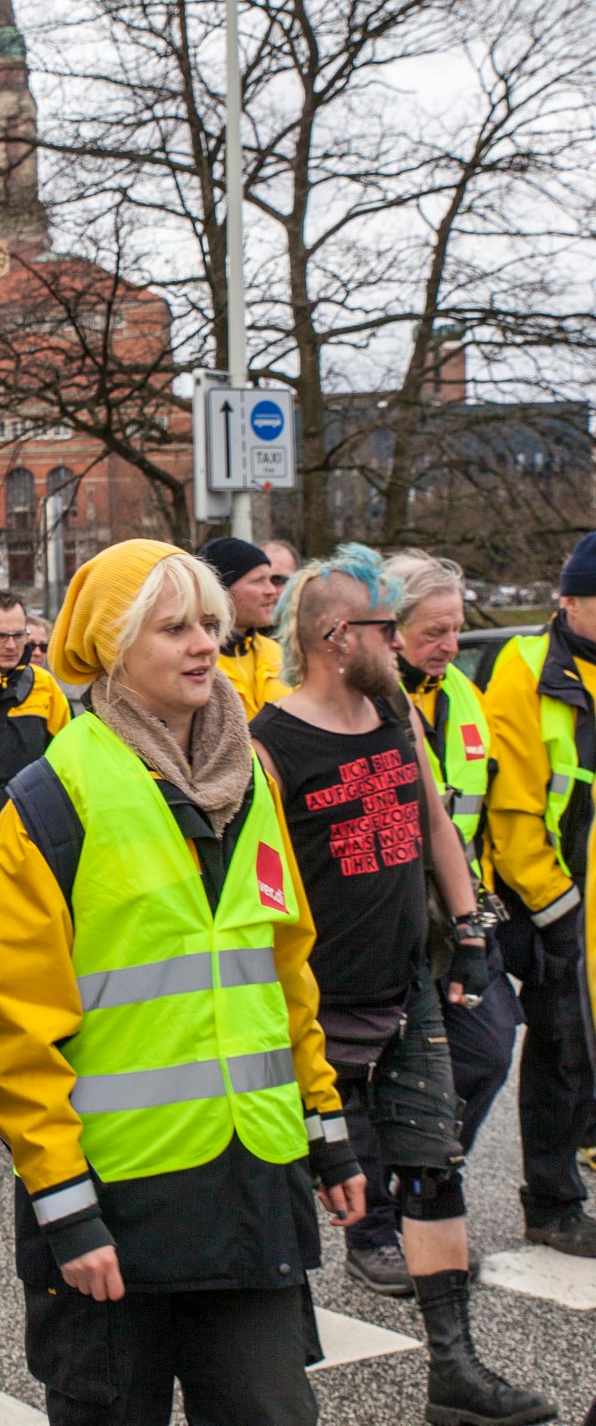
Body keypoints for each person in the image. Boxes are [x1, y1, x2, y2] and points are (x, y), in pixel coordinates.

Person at [0, 541, 361, 1426]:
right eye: (173, 628)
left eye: (210, 625)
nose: (203, 646)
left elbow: (285, 972)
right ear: (113, 646)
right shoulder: (50, 800)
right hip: (118, 1207)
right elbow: (16, 1034)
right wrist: (64, 1210)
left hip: (250, 1187)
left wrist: (327, 1128)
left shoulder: (250, 779)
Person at [254, 544, 549, 1424]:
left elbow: (431, 820)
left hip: (407, 985)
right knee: (285, 1191)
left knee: (433, 1167)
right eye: (388, 627)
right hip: (312, 1007)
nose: (404, 641)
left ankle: (453, 1371)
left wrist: (466, 932)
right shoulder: (270, 742)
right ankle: (264, 1379)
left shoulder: (393, 713)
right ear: (339, 636)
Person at [325, 549, 525, 1292]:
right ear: (391, 628)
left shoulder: (462, 697)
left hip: (456, 916)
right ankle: (376, 1228)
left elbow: (461, 817)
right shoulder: (354, 702)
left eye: (457, 629)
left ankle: (423, 1181)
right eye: (435, 630)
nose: (449, 644)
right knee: (377, 1078)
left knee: (485, 1050)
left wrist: (478, 921)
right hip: (383, 920)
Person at [482, 530, 596, 1258]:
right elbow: (515, 807)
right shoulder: (526, 668)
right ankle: (551, 1203)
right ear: (567, 601)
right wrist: (555, 906)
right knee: (563, 1052)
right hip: (562, 899)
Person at [0, 588, 70, 864]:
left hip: (31, 843)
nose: (11, 645)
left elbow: (67, 768)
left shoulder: (45, 688)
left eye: (19, 635)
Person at [198, 536, 290, 719]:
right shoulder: (198, 659)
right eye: (258, 581)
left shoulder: (278, 652)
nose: (271, 590)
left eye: (272, 580)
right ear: (222, 590)